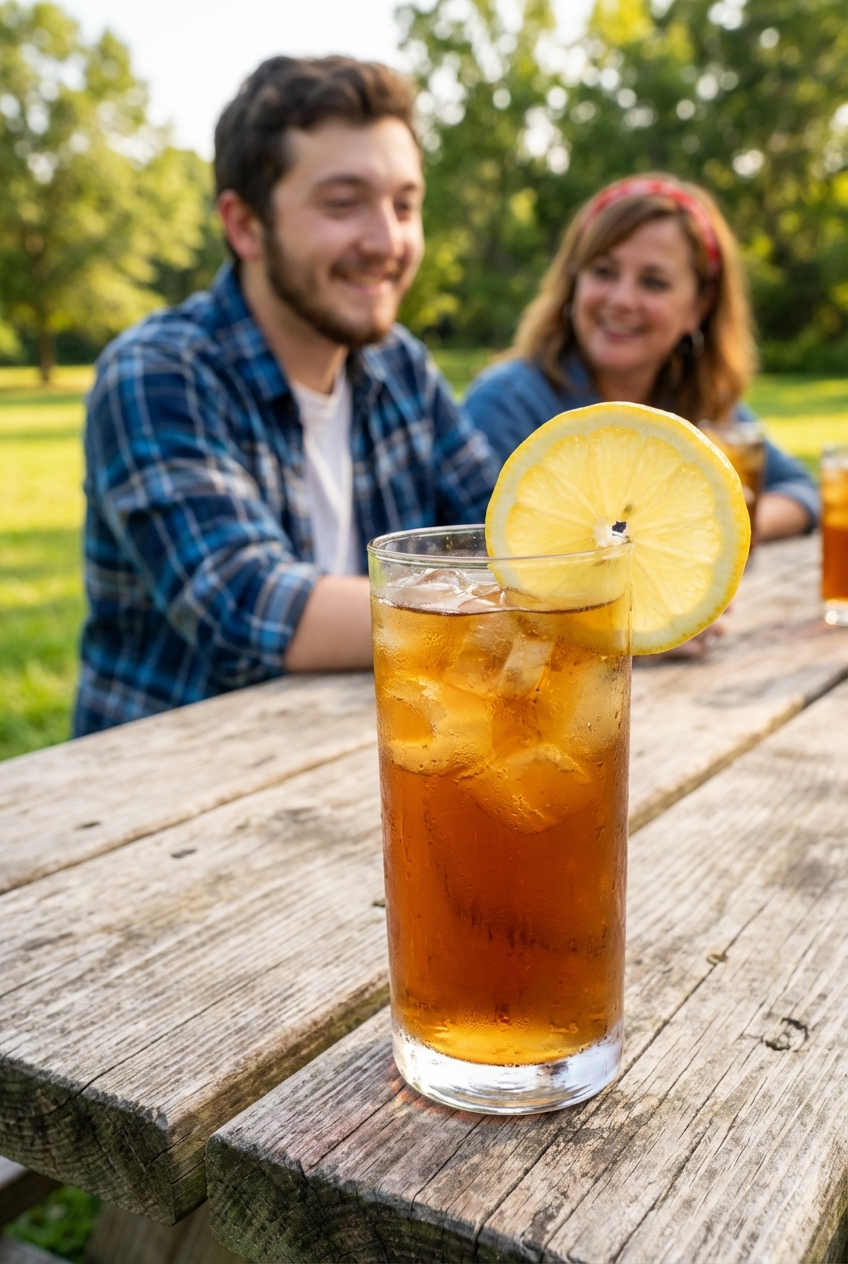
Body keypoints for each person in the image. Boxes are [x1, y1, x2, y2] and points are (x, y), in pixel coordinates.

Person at [73, 55, 499, 737]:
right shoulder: (157, 372)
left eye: (405, 204)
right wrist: (552, 599)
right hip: (170, 796)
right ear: (244, 226)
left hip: (352, 766)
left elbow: (508, 529)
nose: (387, 239)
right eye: (342, 203)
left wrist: (607, 577)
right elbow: (245, 607)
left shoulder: (398, 367)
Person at [465, 175, 818, 545]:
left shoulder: (698, 402)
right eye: (604, 272)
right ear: (574, 283)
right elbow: (494, 550)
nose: (621, 299)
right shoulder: (509, 404)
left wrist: (737, 524)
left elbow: (800, 489)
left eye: (653, 282)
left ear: (698, 307)